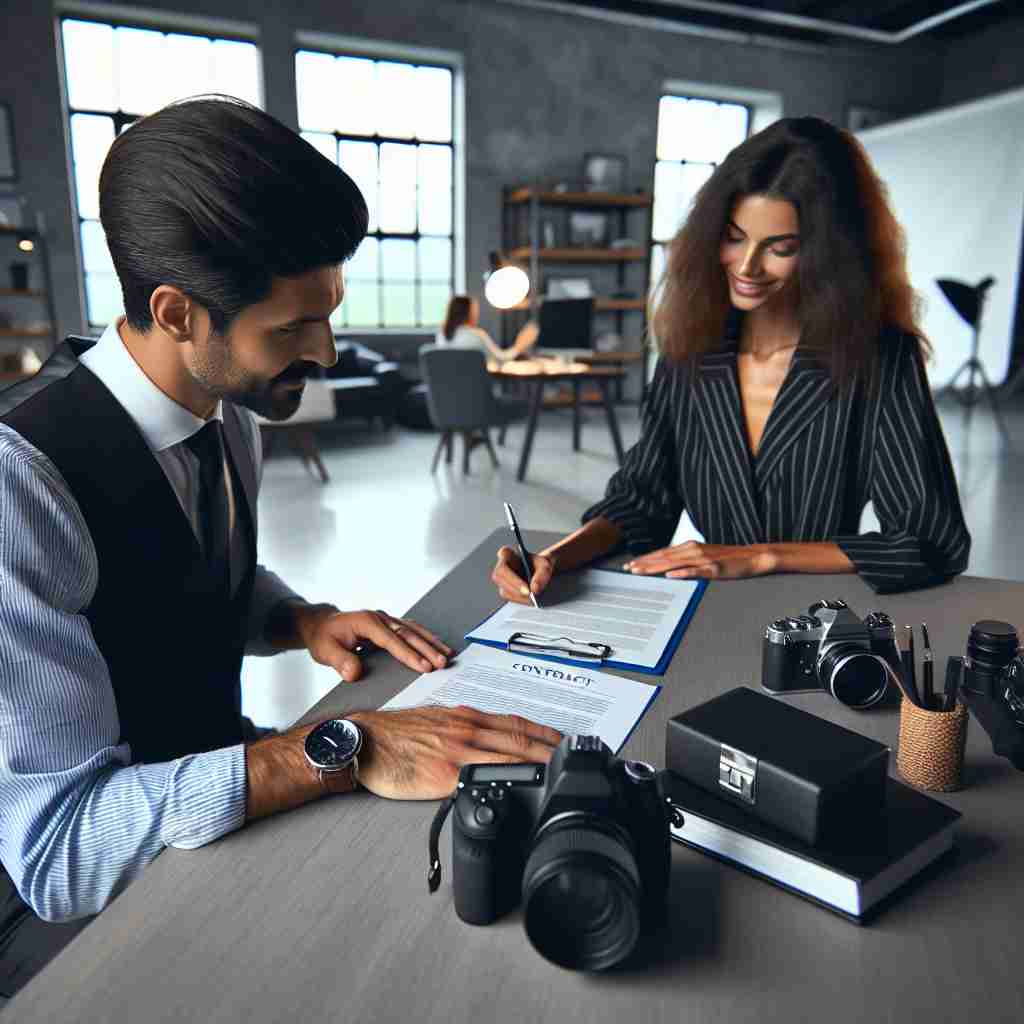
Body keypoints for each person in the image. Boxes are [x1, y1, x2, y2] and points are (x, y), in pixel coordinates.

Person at [0, 97, 560, 997]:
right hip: (68, 921)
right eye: (293, 329)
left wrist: (301, 619)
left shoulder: (227, 414)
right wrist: (338, 747)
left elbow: (187, 573)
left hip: (220, 789)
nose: (329, 352)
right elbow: (60, 851)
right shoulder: (19, 487)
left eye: (327, 313)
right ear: (177, 312)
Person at [491, 116, 970, 604]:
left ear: (831, 254)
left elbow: (929, 541)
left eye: (780, 248)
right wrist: (555, 557)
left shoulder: (879, 358)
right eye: (734, 237)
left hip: (814, 617)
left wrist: (764, 556)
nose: (746, 266)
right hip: (703, 610)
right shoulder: (690, 349)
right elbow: (640, 502)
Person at [436, 294, 538, 362]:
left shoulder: (441, 335)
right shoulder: (475, 336)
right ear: (469, 313)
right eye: (475, 310)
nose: (477, 314)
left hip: (446, 393)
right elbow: (500, 360)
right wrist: (520, 345)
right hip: (475, 392)